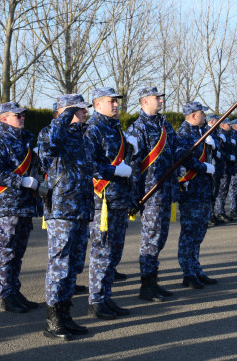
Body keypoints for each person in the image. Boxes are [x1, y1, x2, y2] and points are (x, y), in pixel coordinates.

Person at [39, 94, 94, 339]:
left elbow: (96, 166)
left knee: (73, 266)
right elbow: (51, 145)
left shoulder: (83, 137)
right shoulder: (50, 132)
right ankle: (53, 321)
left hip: (82, 208)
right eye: (79, 109)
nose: (85, 112)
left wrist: (118, 171)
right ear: (65, 112)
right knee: (59, 264)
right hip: (61, 209)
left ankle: (65, 315)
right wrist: (66, 115)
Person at [0, 102, 40, 314]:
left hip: (24, 205)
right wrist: (21, 181)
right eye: (18, 115)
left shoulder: (24, 140)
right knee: (7, 252)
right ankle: (6, 295)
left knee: (18, 253)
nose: (22, 117)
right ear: (4, 118)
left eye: (23, 114)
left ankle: (15, 291)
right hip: (7, 206)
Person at [127, 87, 181, 303]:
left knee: (160, 238)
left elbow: (176, 146)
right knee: (150, 238)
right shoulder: (137, 128)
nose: (160, 101)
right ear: (145, 101)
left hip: (166, 190)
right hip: (150, 193)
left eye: (160, 97)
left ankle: (154, 281)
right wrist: (133, 196)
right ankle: (146, 286)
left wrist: (183, 154)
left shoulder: (164, 124)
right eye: (156, 98)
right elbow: (133, 165)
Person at [85, 87, 134, 320]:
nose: (116, 105)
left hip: (119, 199)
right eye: (111, 101)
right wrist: (115, 171)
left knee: (114, 252)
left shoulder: (115, 128)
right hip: (102, 201)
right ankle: (96, 300)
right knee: (102, 252)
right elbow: (89, 164)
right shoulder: (92, 129)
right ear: (98, 104)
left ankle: (105, 296)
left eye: (116, 101)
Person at [176, 101, 218, 289]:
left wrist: (213, 146)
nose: (205, 116)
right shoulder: (183, 134)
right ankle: (188, 273)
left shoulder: (203, 132)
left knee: (199, 232)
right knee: (189, 233)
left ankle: (196, 268)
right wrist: (204, 167)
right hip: (191, 190)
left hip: (204, 190)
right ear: (193, 115)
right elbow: (184, 159)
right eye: (202, 113)